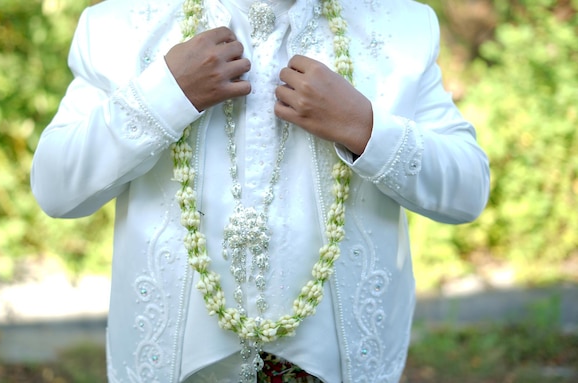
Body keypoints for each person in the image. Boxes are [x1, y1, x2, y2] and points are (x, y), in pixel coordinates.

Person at [31, 0, 490, 382]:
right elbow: (55, 186)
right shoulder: (120, 26)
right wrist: (165, 94)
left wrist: (362, 125)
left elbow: (468, 190)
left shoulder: (399, 27)